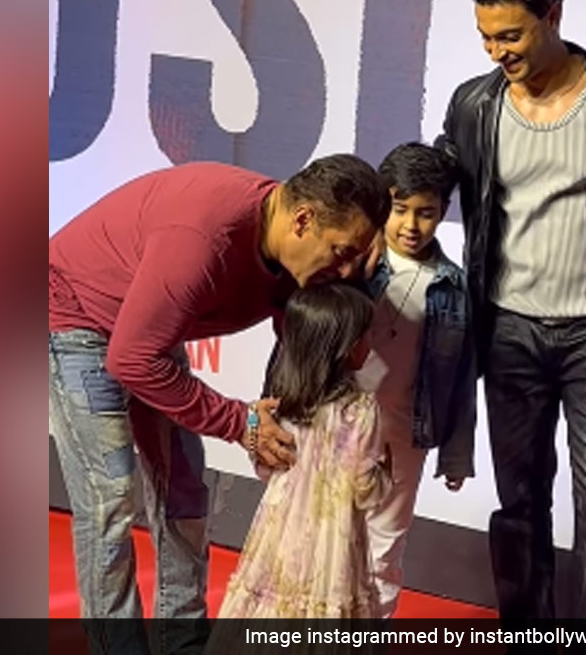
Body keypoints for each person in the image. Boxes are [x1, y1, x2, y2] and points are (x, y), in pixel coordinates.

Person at [48, 155, 389, 655]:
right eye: (341, 253)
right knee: (110, 499)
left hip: (148, 330)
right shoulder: (202, 239)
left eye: (355, 257)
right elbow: (132, 360)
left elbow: (313, 336)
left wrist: (370, 267)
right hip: (76, 317)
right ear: (302, 220)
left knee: (184, 485)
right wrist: (240, 422)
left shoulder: (297, 252)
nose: (344, 270)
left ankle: (182, 643)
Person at [428, 0, 586, 621]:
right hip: (509, 330)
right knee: (520, 501)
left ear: (553, 14)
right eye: (485, 36)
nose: (495, 51)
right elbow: (435, 178)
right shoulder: (474, 104)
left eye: (510, 35)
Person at [210, 283, 392, 623]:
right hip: (334, 543)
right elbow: (366, 490)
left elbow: (264, 467)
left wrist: (252, 419)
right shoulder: (361, 409)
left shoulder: (282, 402)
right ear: (349, 348)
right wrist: (386, 470)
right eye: (367, 334)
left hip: (279, 534)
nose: (371, 342)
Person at [356, 142, 477, 618]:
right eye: (399, 209)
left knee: (385, 545)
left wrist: (457, 454)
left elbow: (461, 378)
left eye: (425, 213)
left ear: (443, 211)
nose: (411, 225)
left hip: (407, 432)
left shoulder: (454, 286)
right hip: (341, 424)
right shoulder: (354, 261)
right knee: (326, 536)